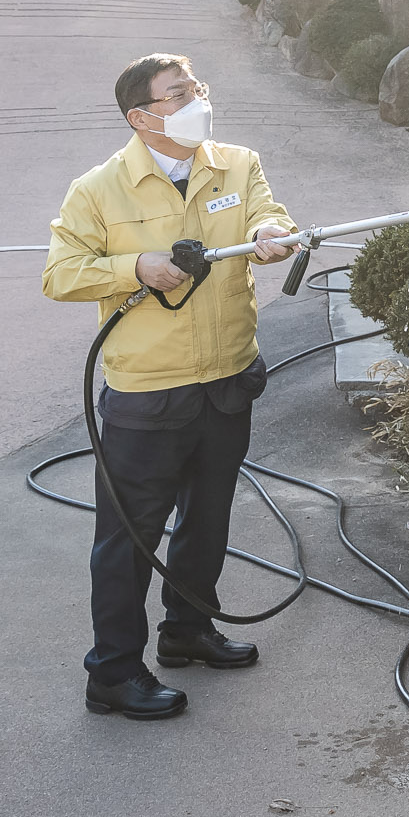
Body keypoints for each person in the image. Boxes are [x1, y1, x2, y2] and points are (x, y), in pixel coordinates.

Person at [42, 53, 300, 721]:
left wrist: (272, 234)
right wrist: (137, 266)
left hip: (226, 378)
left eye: (197, 89)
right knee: (128, 538)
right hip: (148, 394)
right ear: (141, 116)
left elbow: (266, 216)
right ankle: (115, 672)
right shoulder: (99, 189)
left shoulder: (236, 164)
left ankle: (188, 628)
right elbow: (61, 272)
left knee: (207, 519)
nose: (196, 101)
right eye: (179, 94)